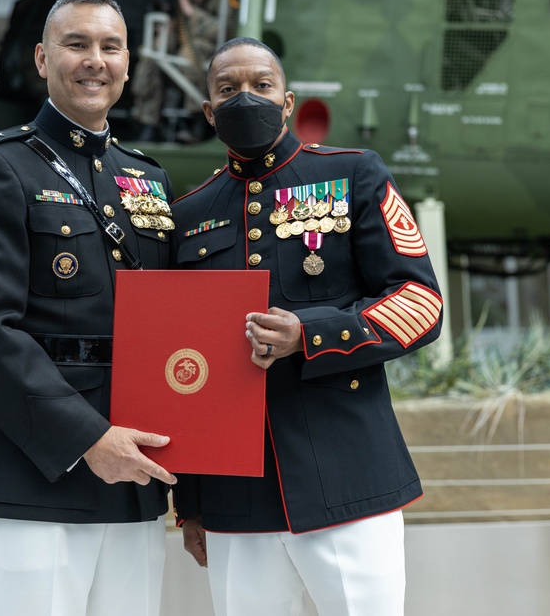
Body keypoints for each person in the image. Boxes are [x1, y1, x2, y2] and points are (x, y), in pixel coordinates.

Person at [171, 37, 444, 616]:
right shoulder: (190, 212)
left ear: (288, 100)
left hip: (348, 477)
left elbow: (420, 301)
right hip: (235, 498)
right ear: (208, 110)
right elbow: (184, 361)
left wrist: (311, 333)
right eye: (227, 90)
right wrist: (190, 503)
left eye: (261, 86)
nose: (246, 98)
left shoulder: (353, 175)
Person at [0, 0, 178, 616]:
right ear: (42, 59)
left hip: (136, 476)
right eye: (76, 44)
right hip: (37, 473)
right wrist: (88, 439)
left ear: (129, 64)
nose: (94, 59)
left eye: (109, 46)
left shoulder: (147, 179)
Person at [130, 0, 219, 142]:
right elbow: (164, 45)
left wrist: (191, 14)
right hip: (178, 62)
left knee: (192, 51)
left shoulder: (218, 0)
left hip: (209, 59)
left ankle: (196, 121)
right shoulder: (177, 7)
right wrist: (167, 29)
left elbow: (220, 31)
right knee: (150, 59)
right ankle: (148, 122)